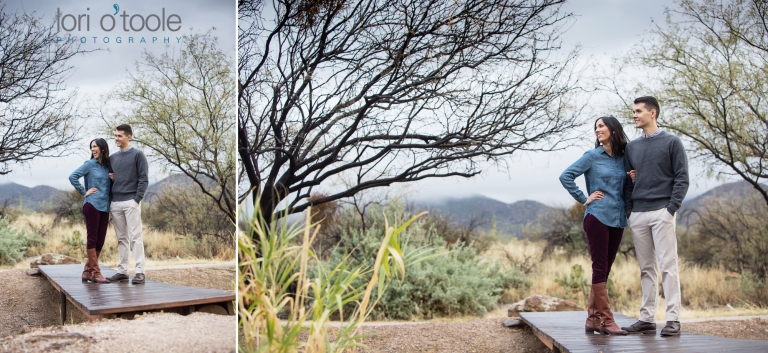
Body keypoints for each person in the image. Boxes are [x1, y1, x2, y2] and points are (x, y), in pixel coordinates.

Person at [621, 96, 689, 336]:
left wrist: (671, 208)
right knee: (646, 268)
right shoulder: (632, 147)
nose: (634, 115)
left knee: (668, 266)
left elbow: (682, 177)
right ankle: (647, 318)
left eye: (638, 111)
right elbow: (628, 181)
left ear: (653, 113)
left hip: (662, 211)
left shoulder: (672, 142)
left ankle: (673, 319)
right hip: (638, 214)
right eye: (633, 112)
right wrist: (630, 211)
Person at [559, 116, 630, 335]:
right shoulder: (592, 156)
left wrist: (634, 179)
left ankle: (592, 320)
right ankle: (607, 321)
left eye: (601, 126)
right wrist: (583, 198)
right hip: (597, 217)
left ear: (613, 129)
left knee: (605, 271)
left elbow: (627, 188)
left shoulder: (624, 158)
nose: (598, 130)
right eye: (596, 127)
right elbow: (566, 176)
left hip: (618, 219)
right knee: (599, 268)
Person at [107, 124, 149, 284]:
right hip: (115, 202)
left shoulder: (138, 155)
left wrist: (136, 199)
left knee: (136, 237)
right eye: (115, 135)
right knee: (121, 238)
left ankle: (140, 272)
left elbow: (143, 178)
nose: (116, 138)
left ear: (128, 137)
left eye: (119, 136)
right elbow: (109, 179)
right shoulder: (113, 158)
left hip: (131, 201)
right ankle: (122, 271)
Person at [69, 138, 113, 284]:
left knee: (100, 240)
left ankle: (87, 272)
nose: (93, 149)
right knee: (92, 238)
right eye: (91, 147)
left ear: (103, 148)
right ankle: (96, 272)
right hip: (92, 205)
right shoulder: (89, 164)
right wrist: (84, 191)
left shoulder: (108, 166)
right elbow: (73, 176)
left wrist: (114, 180)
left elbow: (109, 188)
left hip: (105, 206)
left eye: (95, 147)